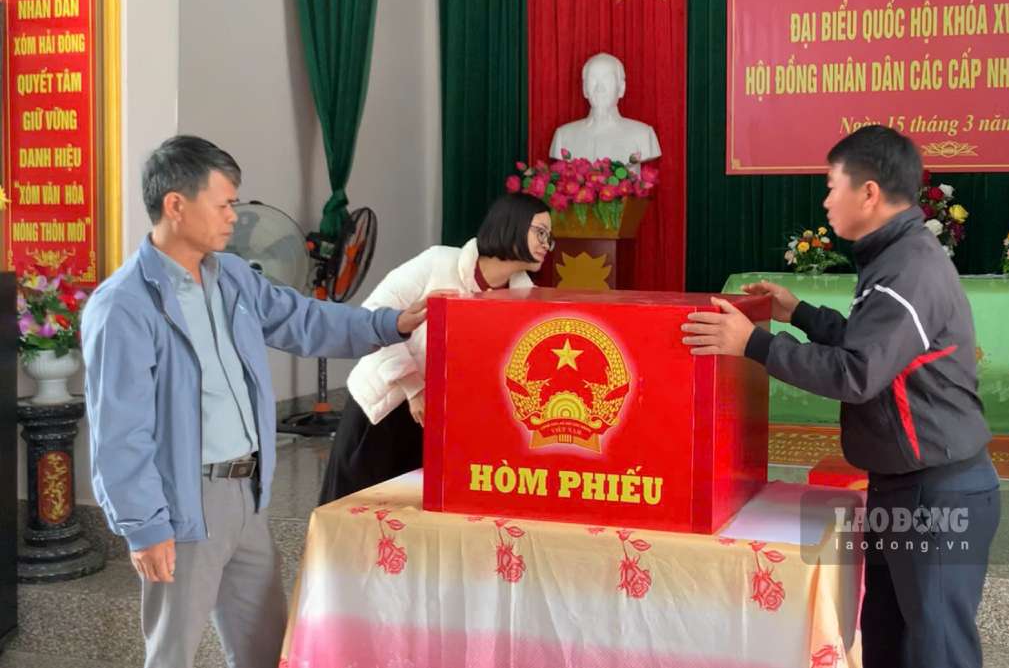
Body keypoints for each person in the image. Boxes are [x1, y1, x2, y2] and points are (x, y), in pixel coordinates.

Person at [82, 135, 427, 668]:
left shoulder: (233, 276)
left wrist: (389, 324)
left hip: (247, 495)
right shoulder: (123, 307)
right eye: (222, 204)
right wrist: (144, 527)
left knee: (266, 647)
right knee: (173, 652)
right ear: (176, 205)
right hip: (185, 502)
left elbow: (305, 321)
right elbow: (118, 432)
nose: (232, 218)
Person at [681, 125, 999, 668]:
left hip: (937, 492)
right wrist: (799, 313)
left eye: (832, 186)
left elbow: (857, 373)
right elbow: (871, 342)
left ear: (869, 193)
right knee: (886, 638)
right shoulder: (896, 257)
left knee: (936, 651)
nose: (826, 201)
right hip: (906, 484)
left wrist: (753, 343)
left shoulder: (909, 270)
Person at [318, 193, 554, 504]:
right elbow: (374, 319)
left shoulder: (525, 298)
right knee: (354, 509)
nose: (545, 244)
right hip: (384, 407)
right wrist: (415, 389)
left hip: (439, 421)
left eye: (549, 237)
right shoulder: (438, 262)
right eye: (540, 231)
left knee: (409, 519)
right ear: (511, 224)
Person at [548, 52, 662, 167]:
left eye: (607, 79)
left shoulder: (643, 134)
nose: (599, 88)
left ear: (621, 88)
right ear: (584, 89)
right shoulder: (563, 136)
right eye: (592, 79)